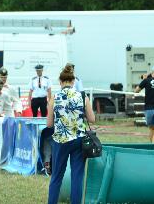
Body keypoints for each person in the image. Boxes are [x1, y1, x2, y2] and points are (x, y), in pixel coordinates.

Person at [47, 64, 95, 204]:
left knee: (56, 177)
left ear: (60, 82)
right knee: (77, 177)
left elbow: (49, 124)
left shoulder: (54, 98)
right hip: (79, 140)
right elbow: (92, 119)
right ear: (74, 81)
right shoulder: (82, 96)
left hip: (60, 140)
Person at [134, 65, 154, 143]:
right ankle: (153, 147)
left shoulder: (146, 80)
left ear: (152, 72)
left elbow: (136, 91)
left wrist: (144, 79)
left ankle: (152, 147)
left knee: (151, 129)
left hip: (149, 109)